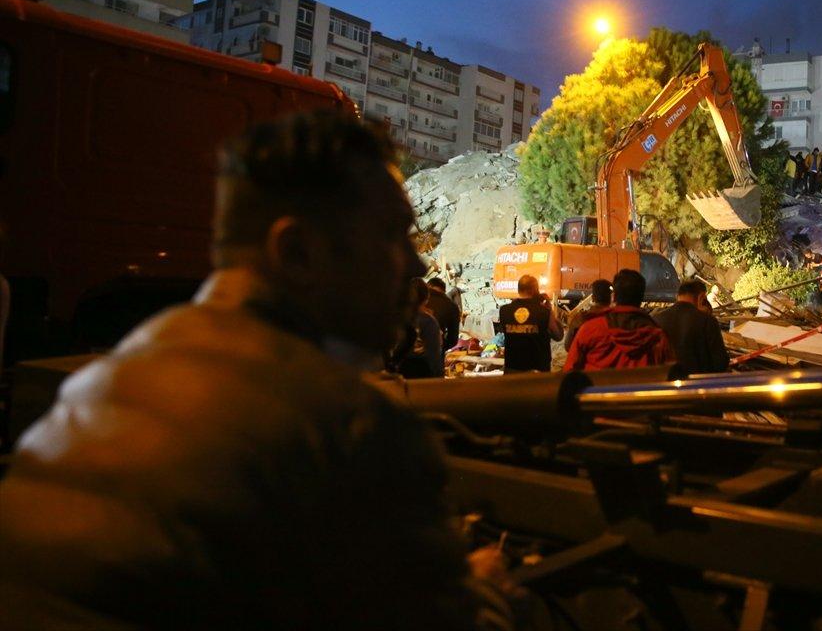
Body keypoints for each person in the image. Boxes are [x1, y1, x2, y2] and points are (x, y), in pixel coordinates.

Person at [0, 111, 482, 629]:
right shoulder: (350, 430)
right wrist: (491, 591)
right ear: (297, 252)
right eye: (391, 235)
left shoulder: (103, 380)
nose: (415, 264)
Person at [567, 269, 672, 371]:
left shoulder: (590, 329)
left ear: (613, 297)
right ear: (641, 298)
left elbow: (570, 369)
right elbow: (668, 374)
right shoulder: (657, 337)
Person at [653, 279, 730, 375]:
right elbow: (720, 363)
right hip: (700, 382)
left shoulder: (656, 320)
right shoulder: (707, 321)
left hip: (665, 382)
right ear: (701, 297)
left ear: (678, 296)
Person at [498, 274, 563, 373]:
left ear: (519, 290)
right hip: (537, 371)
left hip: (512, 370)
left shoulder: (504, 310)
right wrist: (550, 311)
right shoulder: (543, 311)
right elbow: (558, 335)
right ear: (534, 290)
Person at [395, 277, 443, 378]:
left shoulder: (396, 319)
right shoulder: (429, 322)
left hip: (398, 374)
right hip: (422, 375)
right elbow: (434, 356)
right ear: (426, 299)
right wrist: (439, 377)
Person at [564, 278, 612, 349]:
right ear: (611, 298)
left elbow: (568, 346)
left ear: (592, 297)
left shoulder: (580, 319)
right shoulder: (616, 319)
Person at [426, 276, 461, 353]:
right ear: (444, 291)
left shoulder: (414, 298)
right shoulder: (452, 306)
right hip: (434, 351)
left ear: (427, 286)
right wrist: (442, 347)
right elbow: (452, 340)